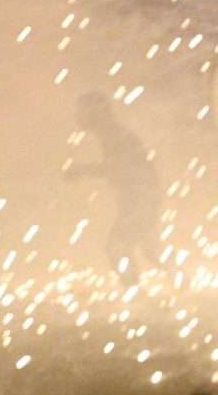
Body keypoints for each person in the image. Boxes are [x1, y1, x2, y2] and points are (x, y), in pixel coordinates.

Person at [67, 93, 159, 277]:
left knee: (117, 247)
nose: (79, 116)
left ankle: (137, 293)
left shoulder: (114, 135)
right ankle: (180, 285)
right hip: (139, 198)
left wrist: (82, 170)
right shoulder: (111, 134)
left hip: (141, 198)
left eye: (84, 111)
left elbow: (118, 168)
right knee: (148, 249)